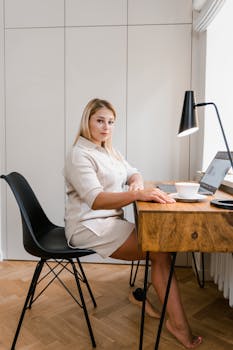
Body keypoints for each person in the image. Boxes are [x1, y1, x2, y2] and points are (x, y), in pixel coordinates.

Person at [64, 98, 202, 348]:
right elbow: (95, 200)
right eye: (100, 121)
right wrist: (137, 194)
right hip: (90, 226)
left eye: (111, 122)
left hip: (110, 223)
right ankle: (178, 325)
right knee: (160, 251)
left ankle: (143, 295)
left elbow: (132, 171)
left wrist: (136, 182)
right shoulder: (79, 154)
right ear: (88, 121)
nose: (106, 127)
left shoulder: (108, 150)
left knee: (163, 245)